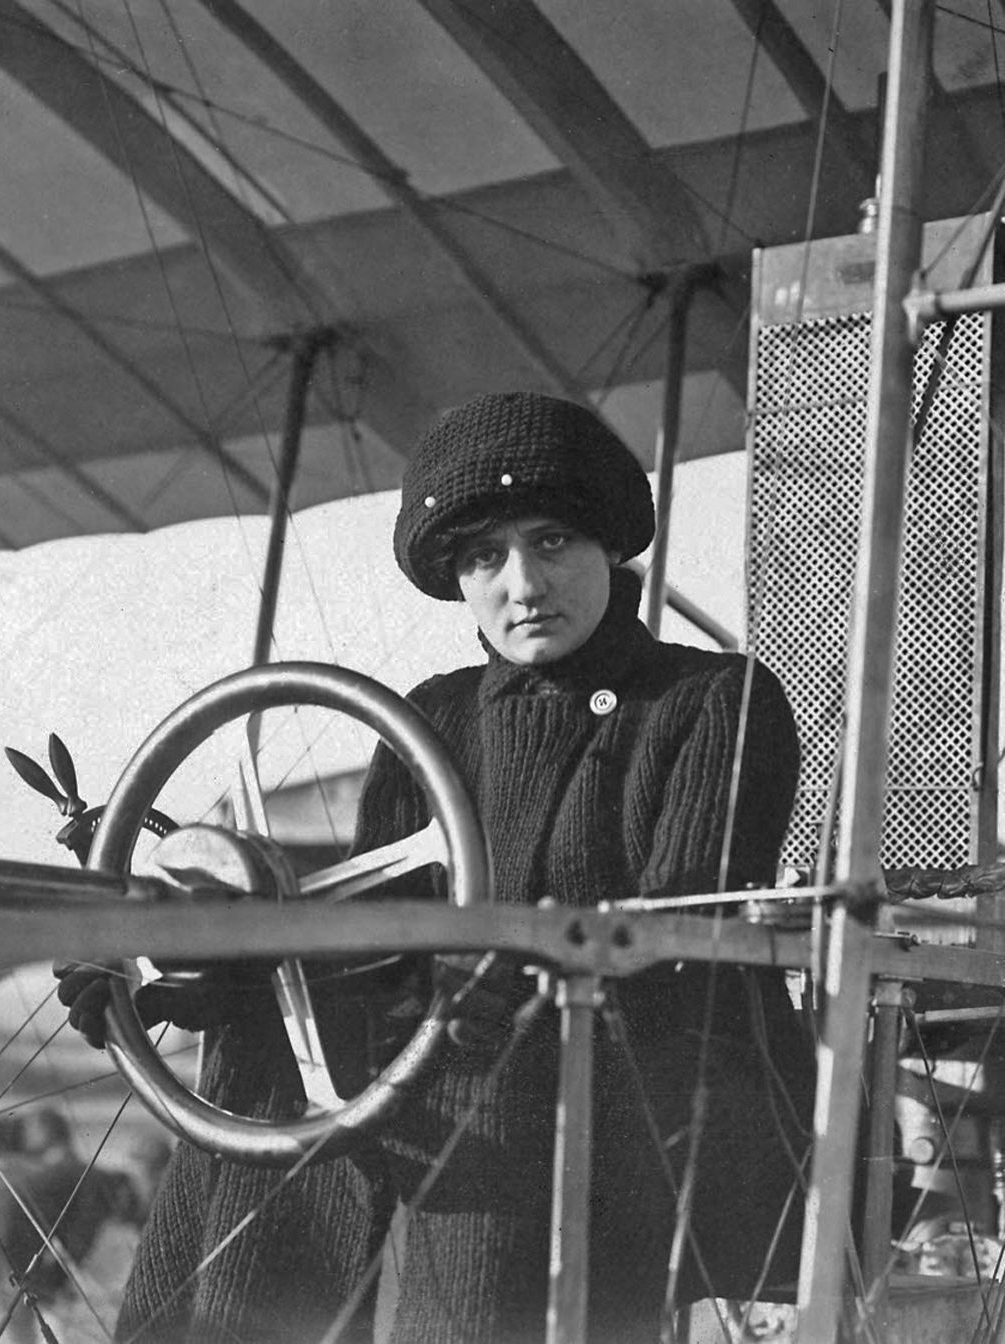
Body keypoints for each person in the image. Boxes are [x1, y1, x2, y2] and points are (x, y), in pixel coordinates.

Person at [57, 390, 814, 1342]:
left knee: (485, 1085)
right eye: (484, 557)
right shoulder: (434, 715)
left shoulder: (716, 699)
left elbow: (677, 943)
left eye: (552, 542)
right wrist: (207, 974)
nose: (522, 584)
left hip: (635, 1088)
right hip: (463, 1064)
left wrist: (488, 978)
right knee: (270, 1061)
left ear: (610, 550)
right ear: (457, 578)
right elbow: (380, 945)